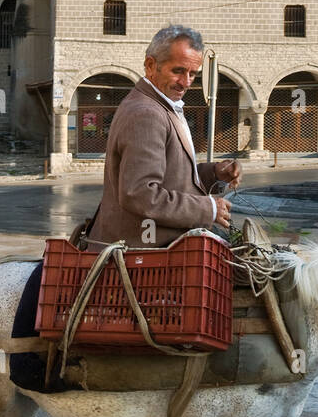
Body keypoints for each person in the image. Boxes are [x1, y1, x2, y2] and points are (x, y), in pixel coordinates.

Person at [87, 25, 242, 249]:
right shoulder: (147, 113)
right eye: (178, 71)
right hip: (143, 252)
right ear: (151, 66)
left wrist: (215, 172)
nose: (186, 82)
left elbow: (171, 175)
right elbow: (140, 193)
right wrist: (208, 209)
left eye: (193, 74)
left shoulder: (162, 106)